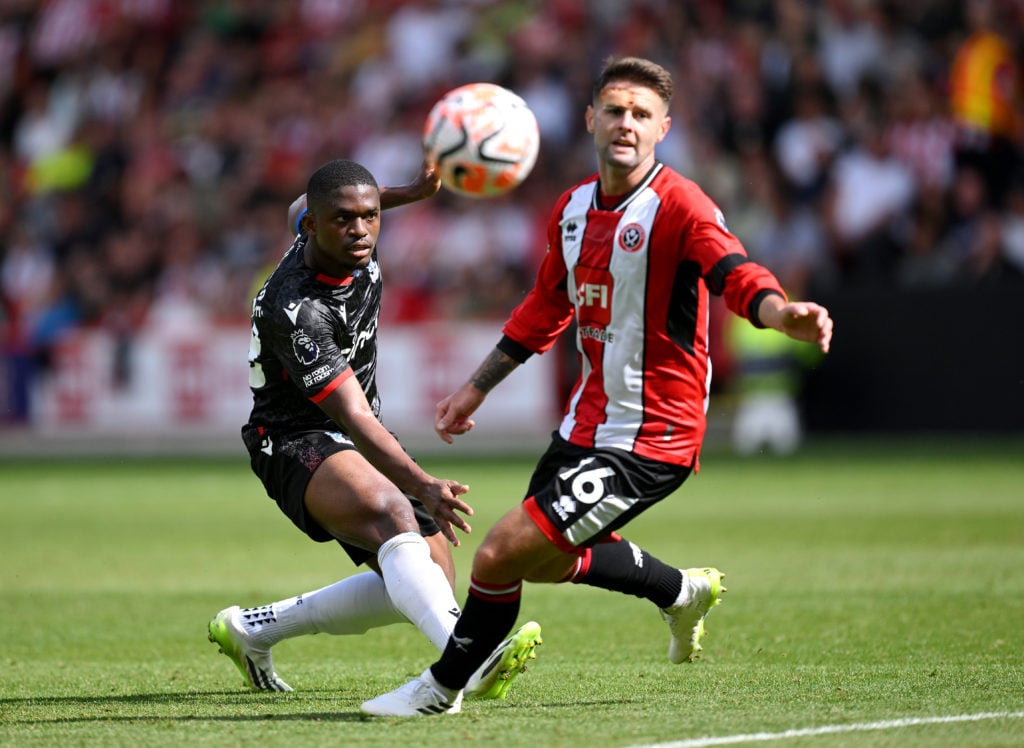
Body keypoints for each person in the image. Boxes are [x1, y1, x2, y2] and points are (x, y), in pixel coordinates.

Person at [361, 56, 833, 717]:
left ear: (663, 128)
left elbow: (736, 273)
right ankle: (679, 590)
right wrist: (476, 387)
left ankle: (440, 689)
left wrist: (781, 312)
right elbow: (546, 307)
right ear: (590, 119)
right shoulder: (573, 209)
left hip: (653, 436)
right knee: (544, 560)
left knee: (497, 555)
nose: (626, 124)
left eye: (642, 114)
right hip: (586, 424)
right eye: (615, 110)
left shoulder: (681, 206)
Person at [208, 158, 539, 709]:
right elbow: (354, 418)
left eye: (371, 216)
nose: (360, 230)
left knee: (425, 578)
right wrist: (424, 482)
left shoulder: (342, 234)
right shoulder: (296, 307)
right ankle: (471, 660)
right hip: (292, 438)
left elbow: (325, 202)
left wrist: (409, 191)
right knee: (394, 513)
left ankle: (254, 628)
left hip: (355, 432)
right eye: (343, 219)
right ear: (310, 228)